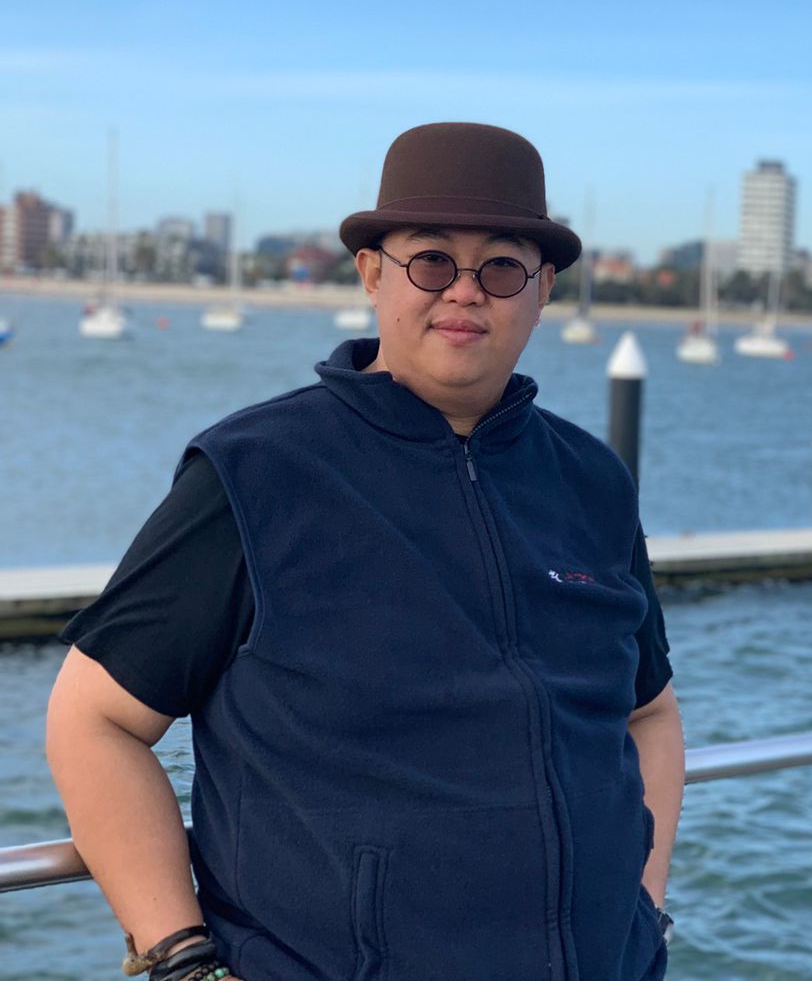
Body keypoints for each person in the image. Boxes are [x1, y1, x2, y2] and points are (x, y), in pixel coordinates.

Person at [45, 122, 684, 981]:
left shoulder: (591, 480)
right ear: (373, 273)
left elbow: (649, 712)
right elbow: (94, 720)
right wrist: (182, 960)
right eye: (431, 260)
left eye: (501, 267)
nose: (465, 292)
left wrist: (642, 910)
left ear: (543, 291)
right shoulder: (257, 472)